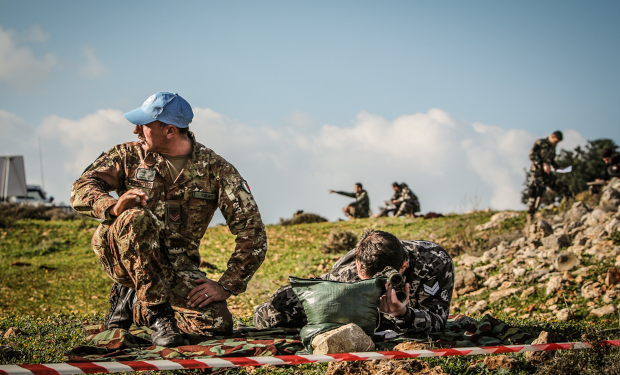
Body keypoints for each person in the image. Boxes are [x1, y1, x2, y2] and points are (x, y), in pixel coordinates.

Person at [71, 92, 267, 347]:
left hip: (174, 266)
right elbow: (82, 186)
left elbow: (252, 232)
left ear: (170, 130)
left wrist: (226, 285)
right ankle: (158, 314)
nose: (135, 130)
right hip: (120, 253)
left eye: (144, 124)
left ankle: (134, 302)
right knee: (135, 218)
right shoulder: (126, 155)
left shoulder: (217, 170)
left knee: (216, 325)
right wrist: (112, 206)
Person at [253, 230, 454, 333]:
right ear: (358, 264)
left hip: (408, 315)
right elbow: (320, 294)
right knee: (274, 314)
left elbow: (438, 319)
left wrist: (404, 314)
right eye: (368, 282)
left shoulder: (435, 262)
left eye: (383, 283)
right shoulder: (347, 269)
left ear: (403, 267)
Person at [525, 130, 572, 223]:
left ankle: (568, 205)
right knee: (535, 194)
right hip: (537, 173)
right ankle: (530, 217)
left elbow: (552, 161)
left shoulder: (553, 148)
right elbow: (531, 155)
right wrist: (542, 164)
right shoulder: (540, 143)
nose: (556, 143)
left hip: (547, 174)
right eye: (556, 141)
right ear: (552, 136)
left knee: (561, 187)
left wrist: (558, 167)